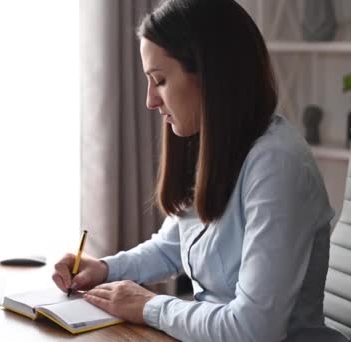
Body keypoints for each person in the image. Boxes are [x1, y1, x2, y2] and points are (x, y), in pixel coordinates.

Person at [52, 0, 349, 341]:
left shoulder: (277, 165)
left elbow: (253, 329)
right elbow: (172, 246)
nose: (150, 100)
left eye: (159, 80)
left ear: (210, 75)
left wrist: (149, 306)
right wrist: (105, 269)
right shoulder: (216, 147)